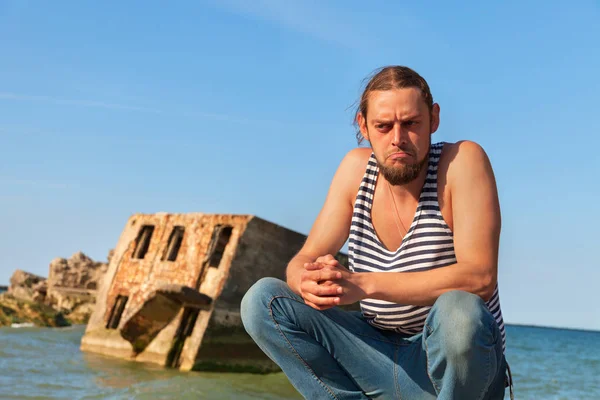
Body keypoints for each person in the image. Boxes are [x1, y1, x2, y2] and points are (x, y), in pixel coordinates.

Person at [241, 66, 511, 400]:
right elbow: (304, 259)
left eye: (411, 123)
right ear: (364, 126)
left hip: (456, 373)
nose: (397, 138)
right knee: (264, 300)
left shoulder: (460, 162)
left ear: (434, 119)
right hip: (378, 359)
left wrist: (362, 284)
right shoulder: (356, 171)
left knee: (459, 312)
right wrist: (304, 279)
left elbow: (479, 277)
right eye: (383, 126)